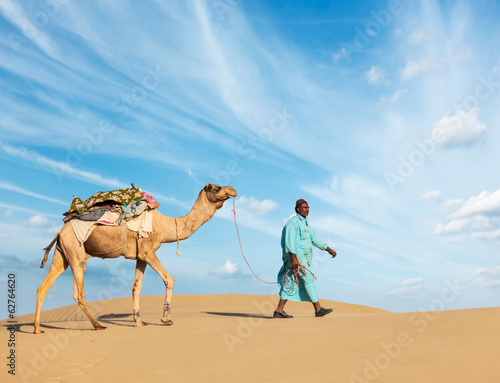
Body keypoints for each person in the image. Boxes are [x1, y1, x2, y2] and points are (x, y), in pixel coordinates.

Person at [274, 199, 337, 318]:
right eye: (304, 208)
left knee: (290, 282)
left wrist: (328, 249)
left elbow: (314, 238)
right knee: (308, 279)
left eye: (308, 208)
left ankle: (279, 310)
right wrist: (294, 257)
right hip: (296, 256)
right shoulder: (293, 222)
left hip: (303, 257)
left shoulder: (306, 223)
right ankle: (318, 309)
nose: (307, 210)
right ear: (298, 209)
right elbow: (289, 241)